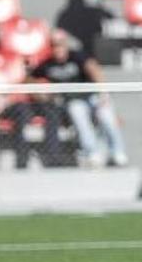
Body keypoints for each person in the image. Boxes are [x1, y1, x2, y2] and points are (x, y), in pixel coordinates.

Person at [29, 30, 130, 168]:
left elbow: (94, 69)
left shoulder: (77, 56)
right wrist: (42, 92)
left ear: (66, 45)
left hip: (92, 96)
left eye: (60, 45)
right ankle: (92, 153)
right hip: (73, 101)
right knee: (77, 113)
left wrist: (103, 92)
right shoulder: (48, 64)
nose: (57, 48)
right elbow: (30, 78)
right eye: (54, 45)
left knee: (106, 115)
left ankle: (118, 152)